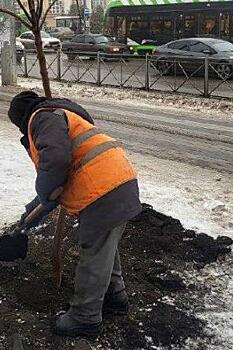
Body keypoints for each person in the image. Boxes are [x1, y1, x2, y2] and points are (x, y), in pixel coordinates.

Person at [8, 91, 142, 337]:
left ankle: (85, 317)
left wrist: (46, 191)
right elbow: (56, 178)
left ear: (21, 119)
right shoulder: (61, 115)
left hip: (104, 189)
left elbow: (55, 162)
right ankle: (116, 297)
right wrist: (32, 212)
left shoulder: (41, 118)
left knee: (93, 252)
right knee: (104, 247)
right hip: (118, 181)